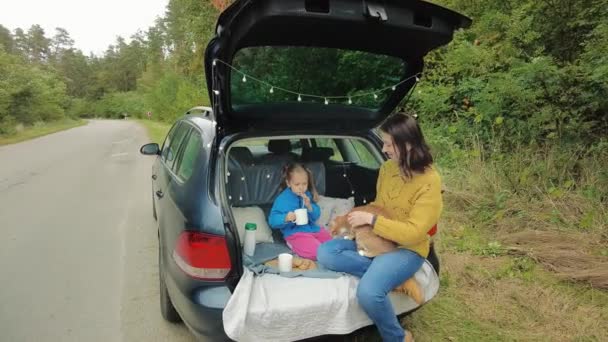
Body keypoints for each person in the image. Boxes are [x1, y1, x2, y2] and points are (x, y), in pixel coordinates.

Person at [317, 112, 443, 342]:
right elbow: (379, 204)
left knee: (368, 292)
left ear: (407, 144)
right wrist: (352, 216)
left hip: (407, 248)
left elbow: (414, 232)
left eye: (388, 144)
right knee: (325, 252)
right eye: (383, 143)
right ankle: (397, 279)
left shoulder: (430, 181)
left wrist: (372, 221)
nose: (384, 149)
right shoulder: (387, 169)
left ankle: (398, 337)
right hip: (378, 239)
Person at [268, 163, 332, 260]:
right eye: (297, 184)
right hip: (295, 233)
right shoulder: (282, 200)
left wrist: (309, 206)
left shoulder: (307, 195)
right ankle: (294, 245)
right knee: (318, 252)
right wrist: (286, 218)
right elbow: (273, 220)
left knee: (331, 244)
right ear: (288, 183)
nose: (301, 187)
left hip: (312, 229)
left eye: (304, 184)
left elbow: (315, 215)